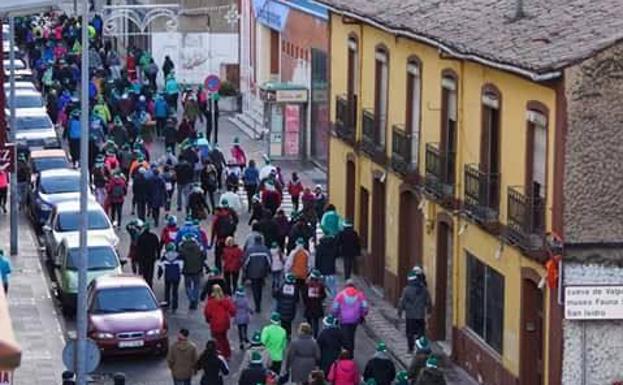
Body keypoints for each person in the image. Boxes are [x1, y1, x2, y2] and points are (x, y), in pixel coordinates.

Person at [398, 269, 432, 353]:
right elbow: (428, 301)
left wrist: (400, 312)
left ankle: (410, 348)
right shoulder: (424, 289)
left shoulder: (406, 290)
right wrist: (429, 311)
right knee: (421, 333)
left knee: (410, 333)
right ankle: (420, 348)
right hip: (420, 315)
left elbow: (402, 302)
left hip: (410, 316)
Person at [331, 280, 369, 352]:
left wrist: (335, 315)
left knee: (345, 336)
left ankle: (346, 353)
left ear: (346, 286)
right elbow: (365, 307)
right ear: (354, 286)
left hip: (343, 320)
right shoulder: (359, 295)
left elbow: (335, 308)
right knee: (351, 335)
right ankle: (351, 352)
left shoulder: (341, 295)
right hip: (355, 320)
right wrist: (362, 314)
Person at [203, 285, 236, 360]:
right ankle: (227, 354)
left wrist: (208, 320)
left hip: (215, 323)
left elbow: (207, 313)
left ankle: (221, 354)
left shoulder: (210, 302)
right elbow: (233, 311)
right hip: (224, 323)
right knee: (224, 338)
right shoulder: (225, 300)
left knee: (217, 339)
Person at [242, 235, 272, 312]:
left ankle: (257, 304)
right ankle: (259, 302)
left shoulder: (250, 250)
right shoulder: (265, 249)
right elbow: (269, 261)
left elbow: (245, 262)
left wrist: (245, 270)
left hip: (252, 272)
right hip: (262, 272)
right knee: (260, 288)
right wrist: (267, 269)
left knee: (255, 288)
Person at [178, 234, 206, 310]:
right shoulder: (198, 247)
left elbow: (180, 257)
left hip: (187, 269)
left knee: (187, 286)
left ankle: (191, 299)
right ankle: (195, 300)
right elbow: (204, 256)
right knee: (196, 286)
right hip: (197, 269)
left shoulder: (182, 247)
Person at [211, 201, 239, 271]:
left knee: (218, 255)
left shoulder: (217, 218)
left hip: (220, 239)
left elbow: (213, 230)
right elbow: (235, 223)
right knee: (229, 253)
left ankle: (218, 269)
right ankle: (229, 267)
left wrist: (212, 242)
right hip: (229, 238)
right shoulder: (230, 214)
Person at [157, 242, 184, 312]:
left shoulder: (164, 257)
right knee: (175, 291)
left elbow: (161, 267)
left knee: (167, 290)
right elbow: (181, 266)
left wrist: (159, 275)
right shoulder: (179, 256)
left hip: (168, 275)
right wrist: (180, 272)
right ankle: (175, 306)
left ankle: (167, 303)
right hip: (176, 275)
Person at [302, 270, 327, 338]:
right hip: (317, 306)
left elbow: (304, 295)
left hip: (309, 306)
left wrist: (306, 303)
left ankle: (308, 334)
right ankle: (315, 336)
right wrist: (319, 298)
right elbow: (324, 295)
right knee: (316, 322)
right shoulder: (320, 285)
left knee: (309, 321)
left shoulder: (307, 285)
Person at [275, 273, 299, 339]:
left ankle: (283, 334)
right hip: (291, 309)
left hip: (281, 308)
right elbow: (297, 299)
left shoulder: (282, 287)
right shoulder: (295, 288)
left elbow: (276, 296)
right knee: (289, 323)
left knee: (283, 322)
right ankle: (289, 334)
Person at [135, 223, 160, 287]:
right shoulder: (154, 236)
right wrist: (158, 256)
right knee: (150, 273)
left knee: (144, 273)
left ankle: (145, 284)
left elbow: (138, 249)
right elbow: (158, 247)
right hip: (151, 258)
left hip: (143, 259)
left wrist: (137, 259)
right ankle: (150, 285)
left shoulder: (141, 237)